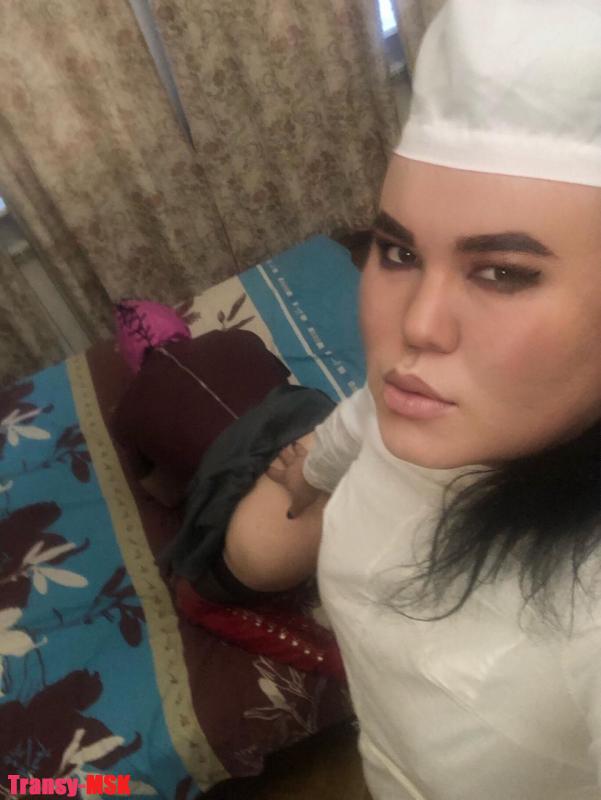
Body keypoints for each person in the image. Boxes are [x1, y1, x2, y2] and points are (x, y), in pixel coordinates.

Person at [223, 1, 601, 797]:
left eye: (501, 272)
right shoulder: (409, 403)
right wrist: (308, 474)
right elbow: (355, 420)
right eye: (397, 251)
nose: (416, 326)